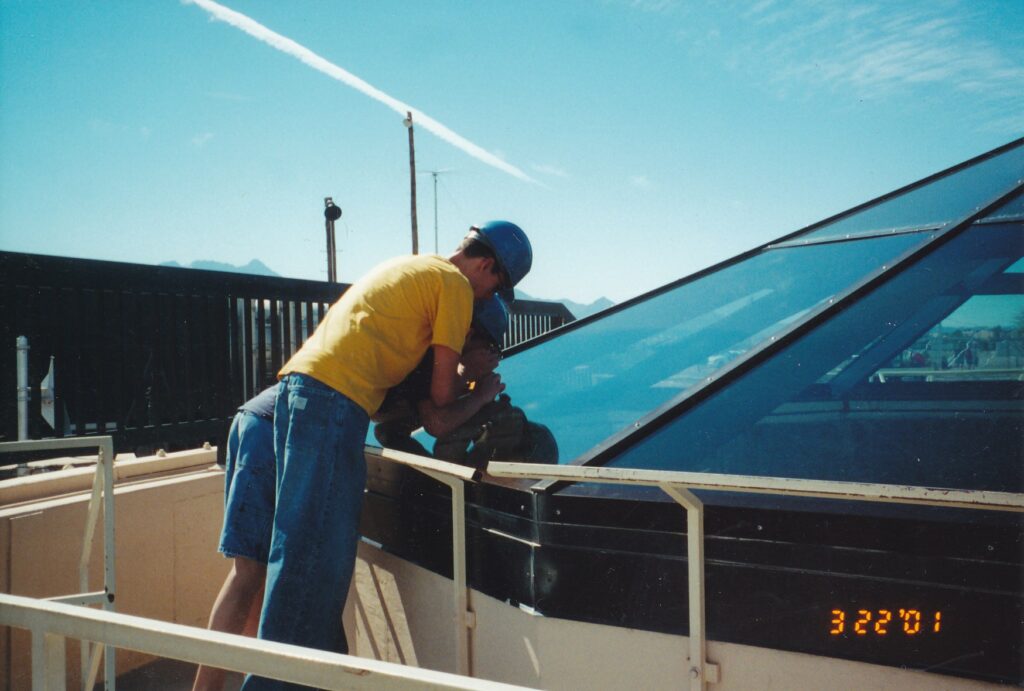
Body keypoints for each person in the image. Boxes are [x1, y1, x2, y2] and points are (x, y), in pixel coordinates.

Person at [244, 221, 532, 691]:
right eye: (495, 287)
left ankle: (316, 681)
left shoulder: (418, 265)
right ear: (486, 266)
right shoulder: (456, 287)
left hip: (309, 395)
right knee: (311, 559)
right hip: (334, 404)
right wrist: (480, 385)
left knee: (310, 558)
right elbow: (440, 403)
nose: (487, 299)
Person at [193, 385, 278, 691]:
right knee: (248, 572)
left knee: (254, 571)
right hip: (266, 428)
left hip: (253, 421)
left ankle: (248, 677)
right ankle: (205, 688)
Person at [373, 295, 509, 455]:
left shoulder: (437, 357)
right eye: (490, 346)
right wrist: (479, 395)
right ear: (468, 335)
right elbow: (436, 423)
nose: (491, 355)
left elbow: (434, 399)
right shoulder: (427, 353)